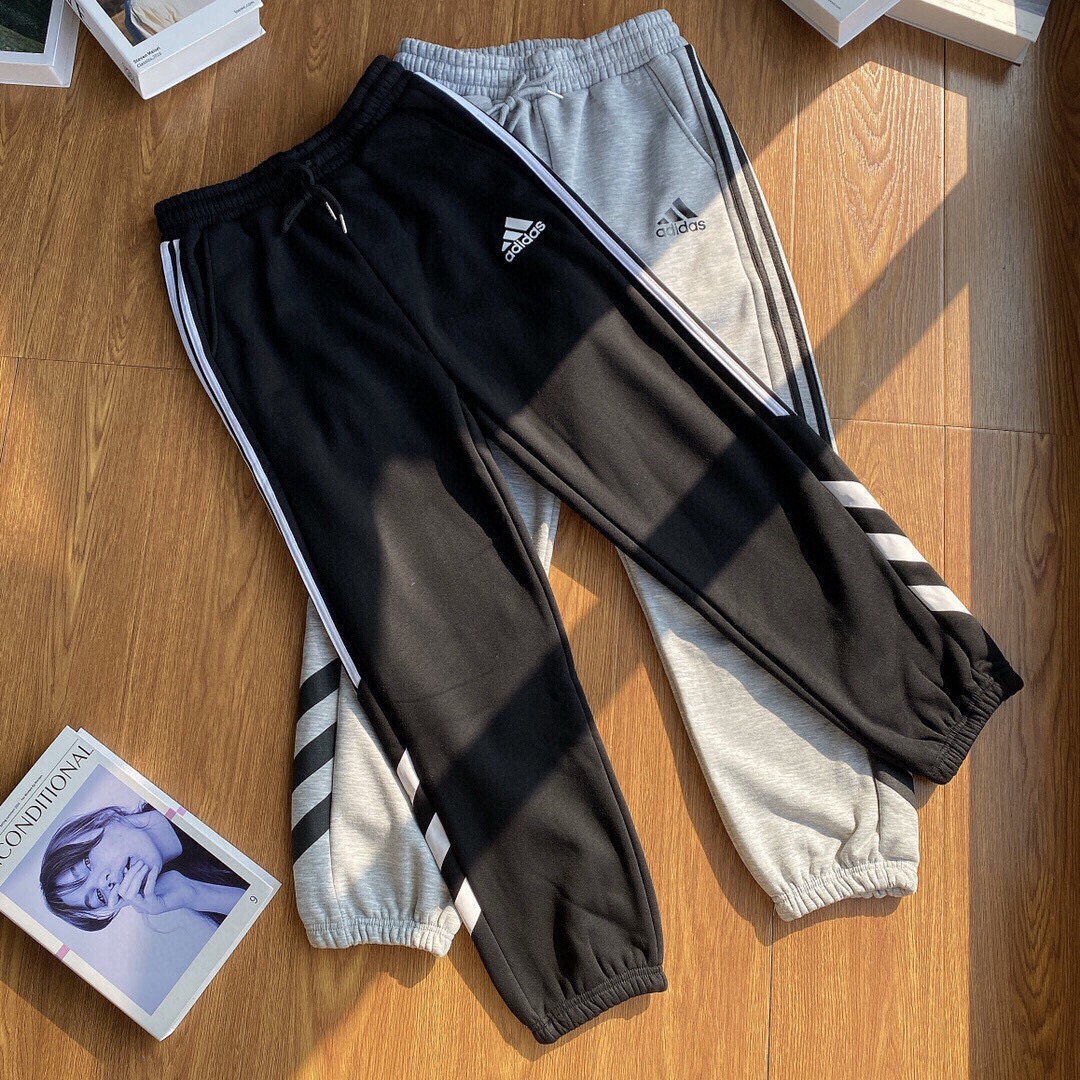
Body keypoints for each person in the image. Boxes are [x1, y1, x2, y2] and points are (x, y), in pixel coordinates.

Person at [40, 801, 248, 931]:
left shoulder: (169, 789)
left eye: (87, 863)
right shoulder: (193, 886)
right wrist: (193, 894)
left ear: (99, 821)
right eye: (100, 896)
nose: (106, 883)